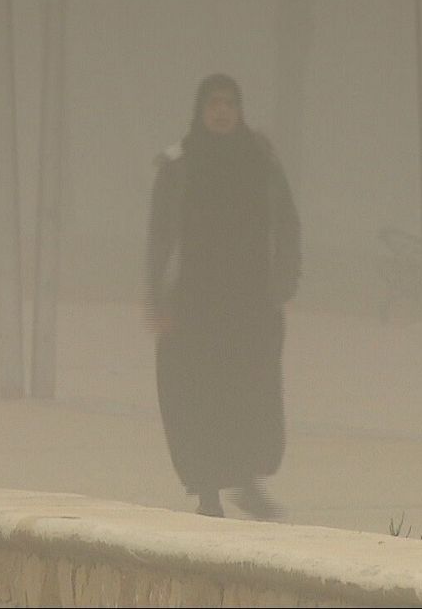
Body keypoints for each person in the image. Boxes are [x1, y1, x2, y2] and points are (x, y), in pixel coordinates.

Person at [143, 73, 301, 519]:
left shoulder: (259, 158)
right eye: (214, 103)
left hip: (250, 302)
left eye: (229, 103)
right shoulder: (180, 164)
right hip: (196, 304)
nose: (222, 111)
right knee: (199, 396)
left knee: (249, 392)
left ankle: (248, 481)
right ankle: (208, 491)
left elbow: (286, 222)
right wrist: (158, 300)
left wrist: (285, 282)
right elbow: (160, 238)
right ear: (201, 110)